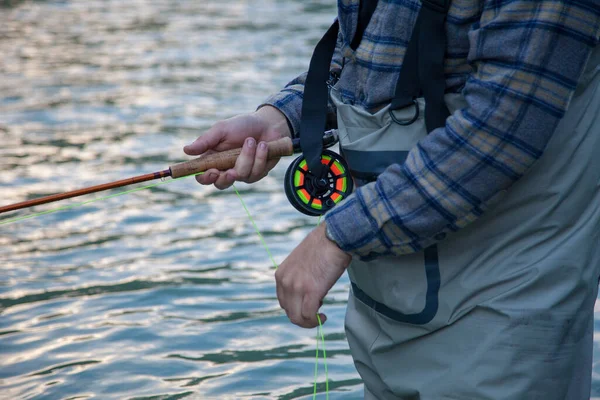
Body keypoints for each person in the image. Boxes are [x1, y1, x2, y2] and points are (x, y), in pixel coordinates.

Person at [184, 0, 600, 398]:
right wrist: (281, 118)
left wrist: (336, 236)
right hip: (391, 309)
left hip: (508, 302)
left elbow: (501, 129)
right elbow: (362, 57)